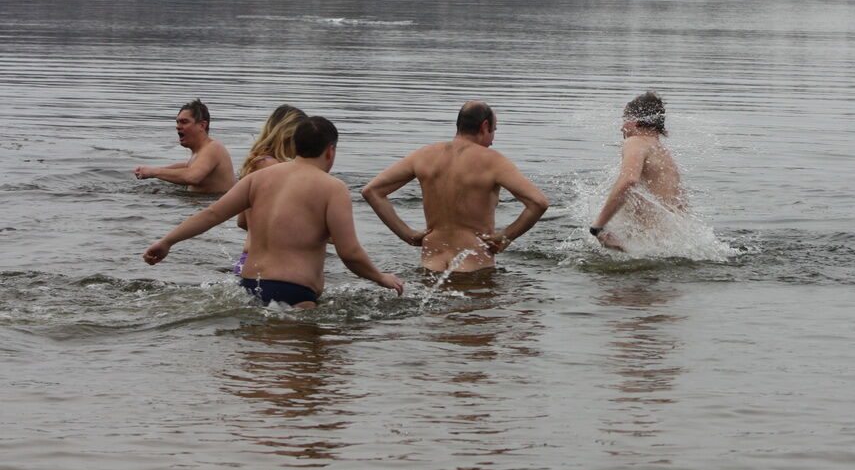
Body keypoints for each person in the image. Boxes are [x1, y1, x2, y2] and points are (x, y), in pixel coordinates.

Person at [143, 116, 404, 308]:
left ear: (294, 146)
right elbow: (350, 253)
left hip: (248, 285)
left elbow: (211, 215)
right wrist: (381, 278)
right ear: (330, 150)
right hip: (295, 292)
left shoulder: (259, 178)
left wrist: (167, 241)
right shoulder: (333, 188)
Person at [362, 101, 549, 273]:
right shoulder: (493, 161)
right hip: (475, 268)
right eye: (494, 131)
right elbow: (538, 203)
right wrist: (505, 237)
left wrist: (408, 234)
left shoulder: (423, 155)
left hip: (430, 268)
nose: (492, 140)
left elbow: (372, 191)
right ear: (484, 126)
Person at [589, 91, 686, 252]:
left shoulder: (636, 142)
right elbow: (681, 205)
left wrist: (597, 227)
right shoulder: (665, 155)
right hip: (662, 245)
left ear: (636, 121)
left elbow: (628, 181)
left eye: (625, 119)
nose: (622, 127)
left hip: (641, 247)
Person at [233, 104, 309, 275]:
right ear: (288, 134)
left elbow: (242, 221)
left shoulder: (255, 163)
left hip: (247, 262)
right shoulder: (273, 167)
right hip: (267, 267)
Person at [134, 99, 236, 194]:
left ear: (202, 125)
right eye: (177, 122)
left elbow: (192, 177)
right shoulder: (201, 151)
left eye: (184, 122)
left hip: (210, 206)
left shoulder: (214, 148)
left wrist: (154, 172)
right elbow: (188, 166)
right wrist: (151, 170)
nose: (177, 126)